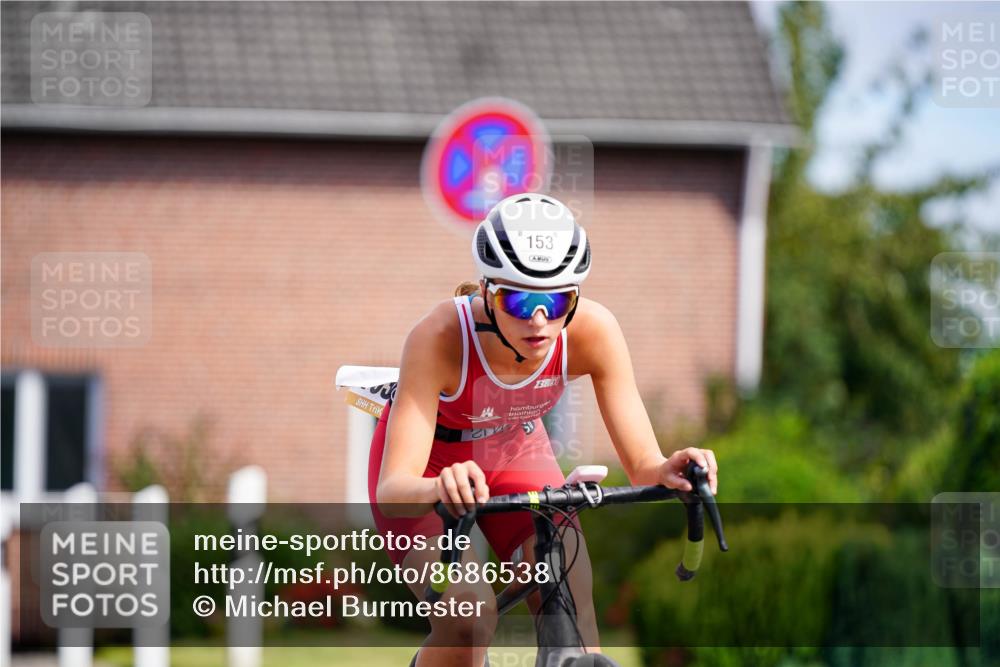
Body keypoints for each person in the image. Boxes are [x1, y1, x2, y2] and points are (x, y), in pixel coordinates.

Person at [369, 193, 719, 667]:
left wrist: (670, 469)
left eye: (557, 301)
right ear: (487, 292)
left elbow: (644, 466)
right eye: (518, 299)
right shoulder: (439, 338)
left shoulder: (593, 331)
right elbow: (393, 489)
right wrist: (437, 486)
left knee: (570, 597)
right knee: (468, 620)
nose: (539, 320)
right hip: (430, 468)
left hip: (514, 450)